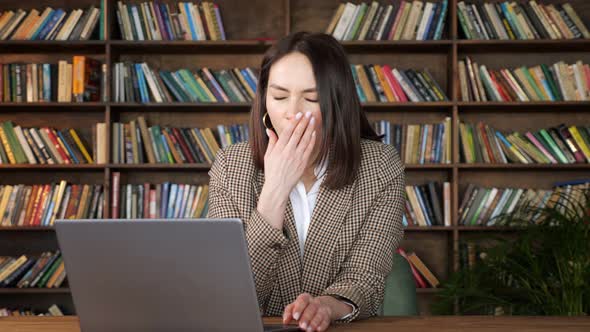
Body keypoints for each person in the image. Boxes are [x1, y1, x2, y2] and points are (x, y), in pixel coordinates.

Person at [207, 31, 405, 332]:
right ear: (264, 103)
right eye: (279, 96)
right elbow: (231, 295)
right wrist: (274, 191)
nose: (292, 113)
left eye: (311, 98)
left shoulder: (379, 166)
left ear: (337, 103)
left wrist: (326, 306)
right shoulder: (231, 166)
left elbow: (365, 278)